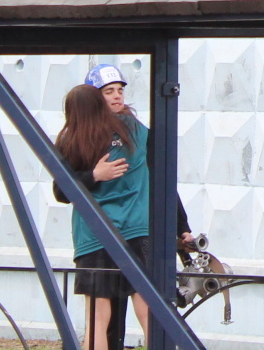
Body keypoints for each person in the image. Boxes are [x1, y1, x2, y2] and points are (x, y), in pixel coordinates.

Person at [54, 65, 193, 350]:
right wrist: (95, 175)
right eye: (109, 92)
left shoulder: (76, 135)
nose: (117, 97)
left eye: (120, 90)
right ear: (95, 98)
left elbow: (160, 181)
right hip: (124, 232)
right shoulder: (133, 131)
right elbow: (162, 182)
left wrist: (183, 228)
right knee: (147, 308)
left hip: (98, 234)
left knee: (101, 317)